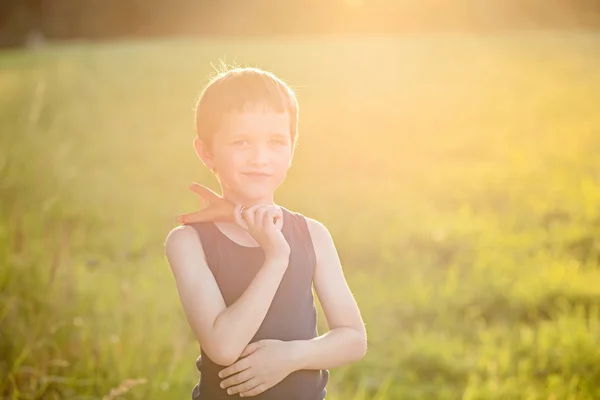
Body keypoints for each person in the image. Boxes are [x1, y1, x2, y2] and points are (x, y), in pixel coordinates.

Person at [164, 66, 367, 400]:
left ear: (292, 148)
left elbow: (353, 338)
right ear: (206, 153)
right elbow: (224, 346)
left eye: (276, 142)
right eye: (241, 142)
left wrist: (289, 357)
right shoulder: (188, 242)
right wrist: (275, 258)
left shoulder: (312, 235)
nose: (260, 158)